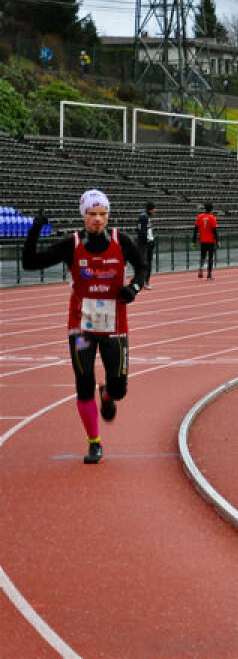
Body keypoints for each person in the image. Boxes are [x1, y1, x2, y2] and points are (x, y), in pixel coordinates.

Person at [21, 190, 145, 465]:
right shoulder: (72, 244)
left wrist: (133, 288)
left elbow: (142, 266)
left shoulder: (121, 241)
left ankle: (108, 393)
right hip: (81, 327)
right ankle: (94, 443)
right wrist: (34, 229)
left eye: (102, 214)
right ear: (84, 216)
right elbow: (29, 264)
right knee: (83, 381)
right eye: (92, 214)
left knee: (120, 388)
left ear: (108, 216)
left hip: (115, 326)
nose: (97, 220)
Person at [193, 202, 218, 280]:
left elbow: (195, 230)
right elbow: (214, 231)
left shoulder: (199, 217)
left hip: (202, 240)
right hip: (210, 241)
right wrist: (217, 241)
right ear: (212, 209)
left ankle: (200, 267)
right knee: (210, 257)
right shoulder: (212, 218)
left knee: (203, 256)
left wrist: (193, 241)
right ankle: (209, 275)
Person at [137, 201, 156, 289]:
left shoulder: (146, 217)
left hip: (147, 242)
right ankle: (144, 281)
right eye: (154, 208)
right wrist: (147, 241)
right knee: (145, 263)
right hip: (145, 243)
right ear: (150, 209)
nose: (155, 210)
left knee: (147, 263)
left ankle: (145, 281)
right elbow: (141, 231)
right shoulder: (144, 217)